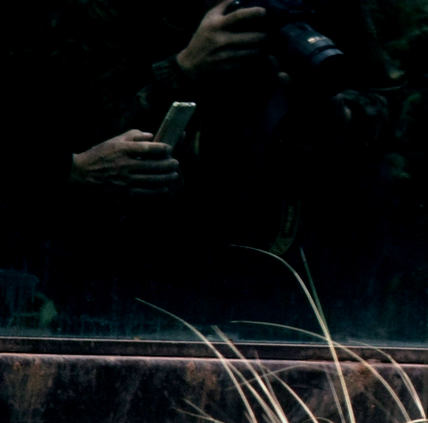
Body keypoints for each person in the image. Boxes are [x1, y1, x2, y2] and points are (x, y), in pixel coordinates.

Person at [0, 0, 395, 334]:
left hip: (286, 274)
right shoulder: (100, 16)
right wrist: (183, 69)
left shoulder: (320, 8)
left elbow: (384, 104)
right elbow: (77, 143)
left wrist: (336, 111)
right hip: (135, 278)